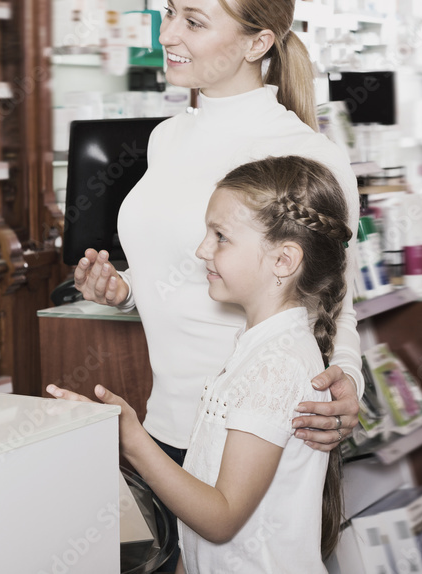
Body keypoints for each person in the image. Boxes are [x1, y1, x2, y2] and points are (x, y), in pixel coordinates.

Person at [52, 155, 353, 573]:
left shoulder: (276, 366)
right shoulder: (256, 347)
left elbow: (222, 517)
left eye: (220, 237)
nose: (201, 250)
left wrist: (132, 439)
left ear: (283, 261)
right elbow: (205, 524)